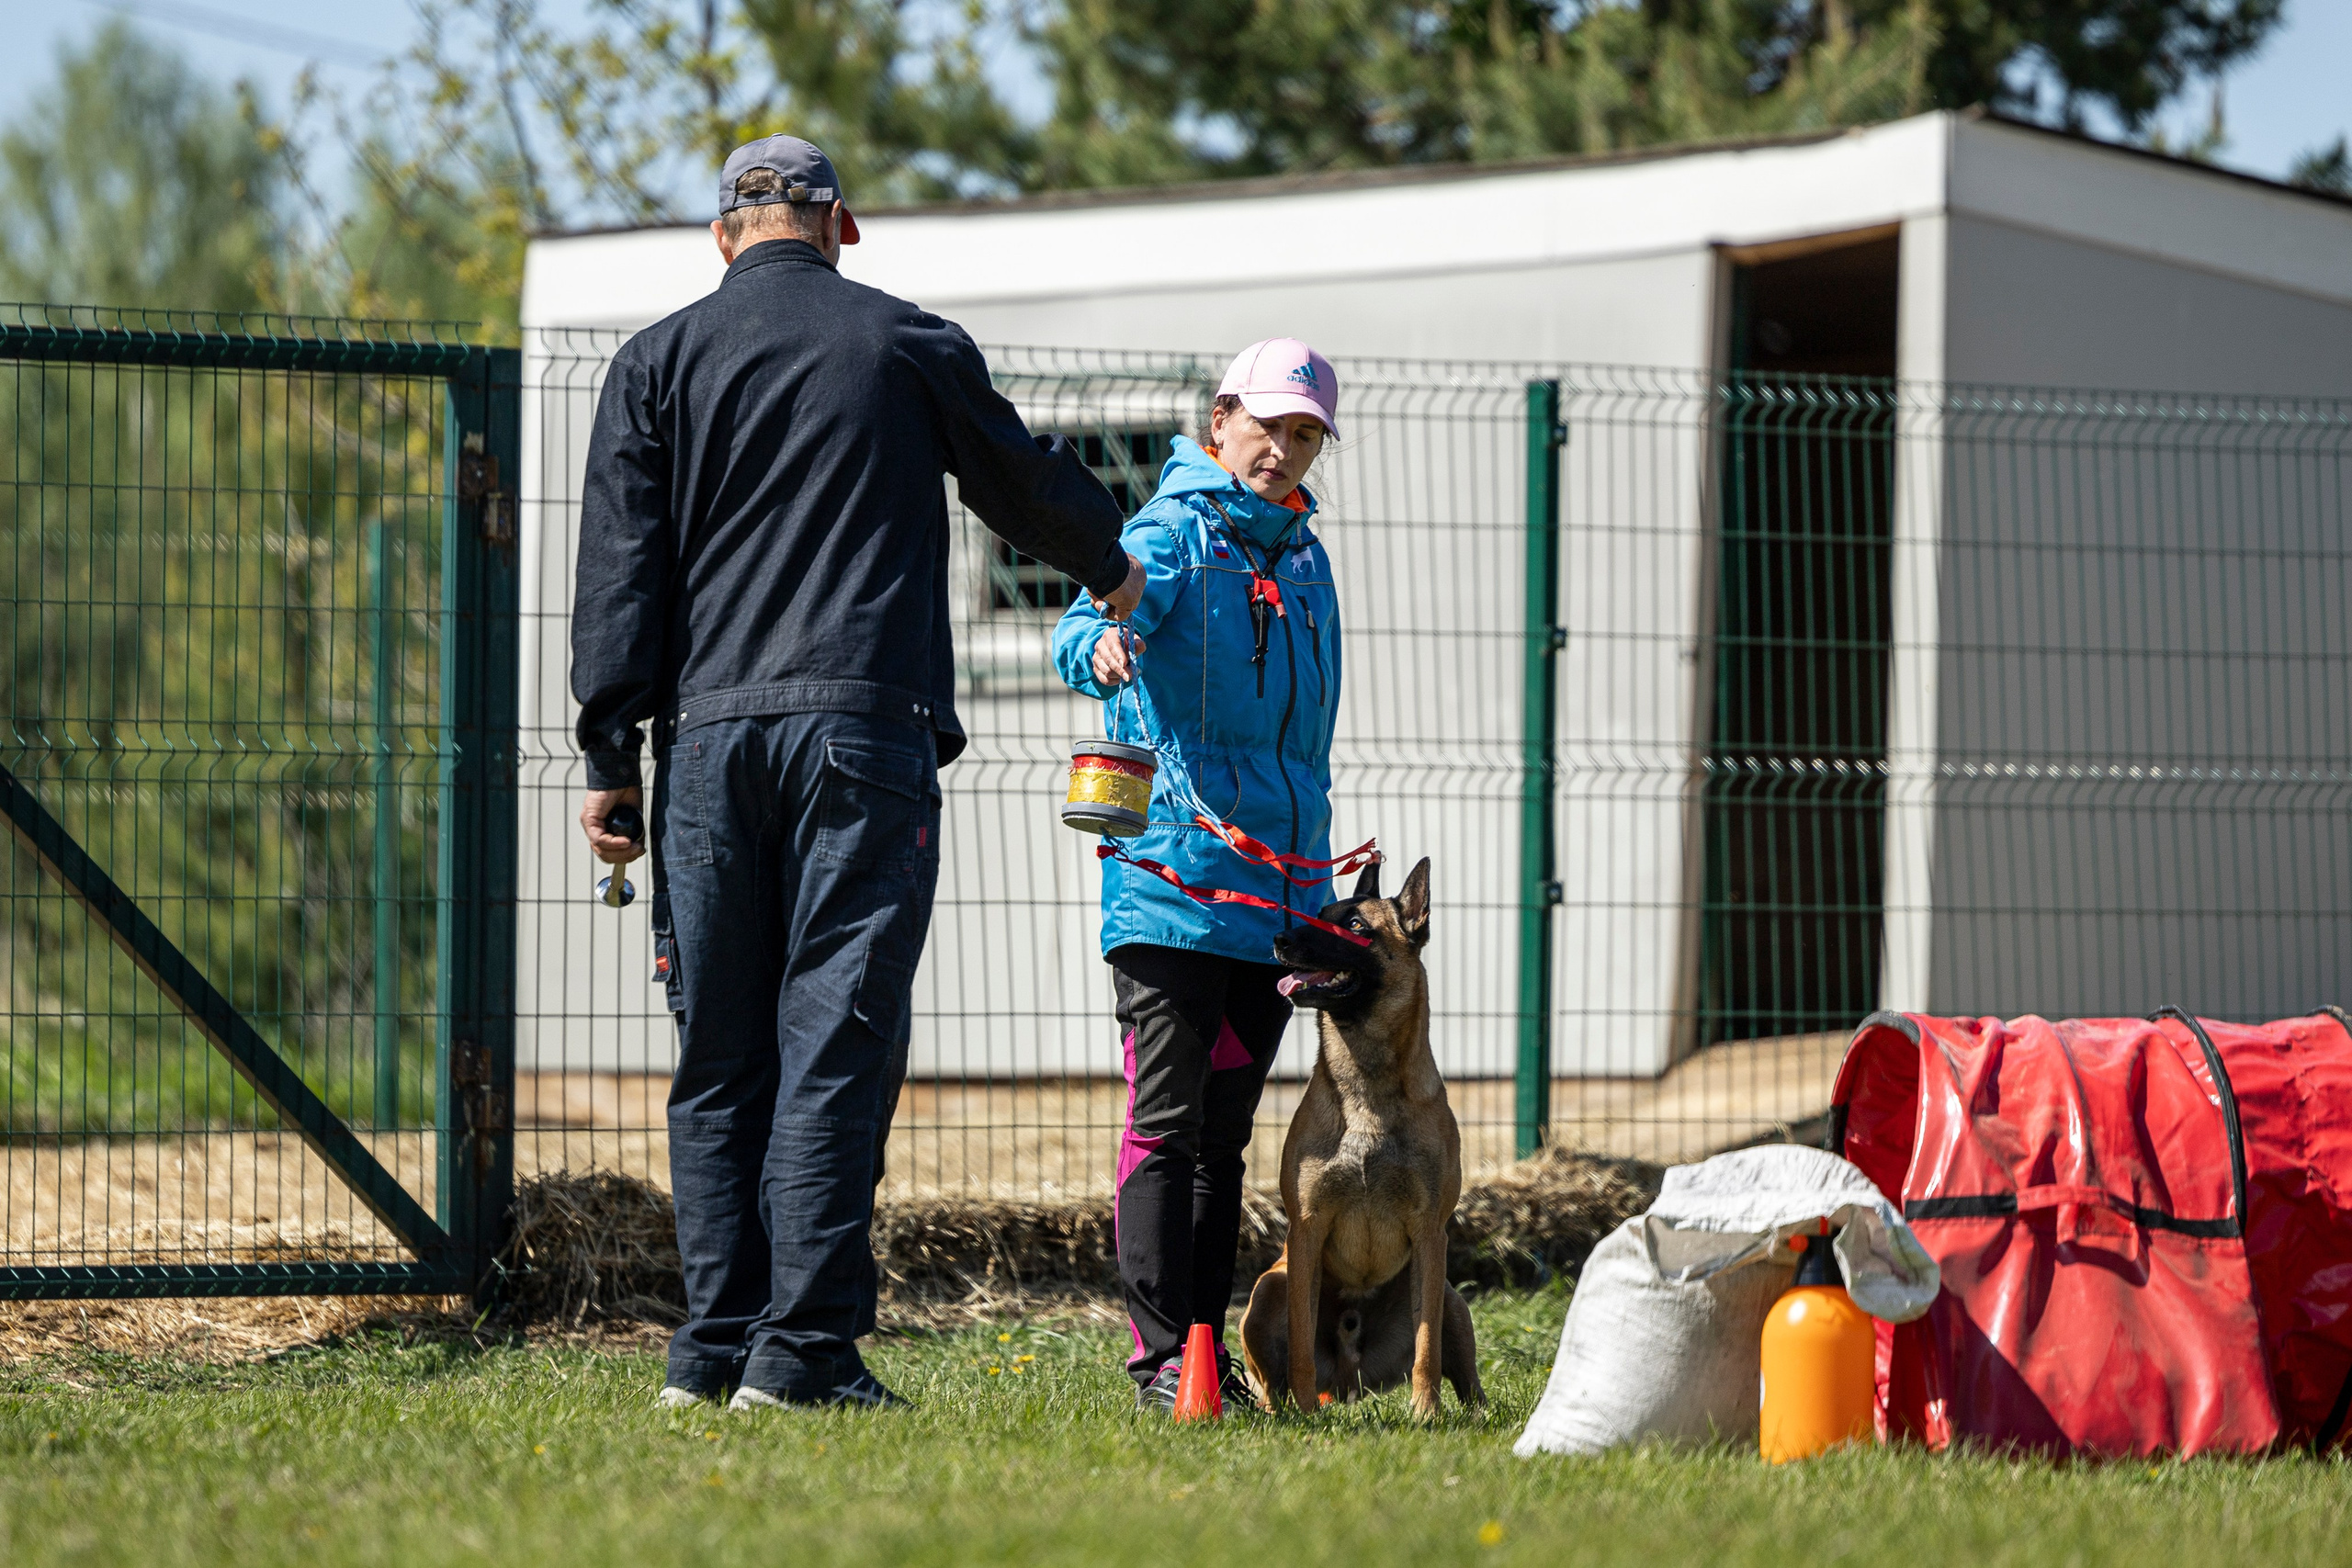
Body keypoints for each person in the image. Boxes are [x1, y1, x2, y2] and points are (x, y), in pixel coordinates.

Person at [573, 133, 1145, 1411]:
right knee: (834, 1042)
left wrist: (611, 752)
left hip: (705, 744)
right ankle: (803, 1355)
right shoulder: (903, 341)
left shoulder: (653, 362)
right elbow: (1020, 481)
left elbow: (619, 570)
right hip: (861, 735)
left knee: (720, 1057)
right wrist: (1114, 566)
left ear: (722, 237)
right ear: (843, 225)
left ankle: (711, 1352)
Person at [1049, 339, 1344, 1411]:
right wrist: (1103, 650)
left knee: (1224, 1139)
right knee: (1167, 1129)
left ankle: (1207, 1360)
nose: (1281, 449)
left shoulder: (1305, 558)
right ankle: (1159, 1358)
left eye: (1304, 434)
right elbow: (1083, 626)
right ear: (1220, 422)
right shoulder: (1170, 533)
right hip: (1173, 886)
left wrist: (1313, 894)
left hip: (1278, 897)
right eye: (1265, 425)